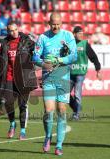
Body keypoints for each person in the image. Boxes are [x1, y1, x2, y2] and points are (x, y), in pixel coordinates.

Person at [32, 13, 77, 155]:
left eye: (58, 24)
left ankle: (58, 146)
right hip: (48, 78)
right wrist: (44, 63)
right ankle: (47, 137)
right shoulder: (43, 38)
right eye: (53, 24)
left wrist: (59, 60)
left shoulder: (68, 36)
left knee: (62, 110)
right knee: (48, 110)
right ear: (48, 23)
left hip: (63, 77)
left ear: (61, 23)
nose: (55, 26)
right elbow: (35, 57)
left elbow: (74, 56)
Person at [0, 21, 37, 140]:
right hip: (9, 77)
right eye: (11, 30)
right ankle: (12, 123)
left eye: (15, 29)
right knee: (8, 102)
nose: (14, 32)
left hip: (23, 78)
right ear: (8, 31)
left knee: (22, 105)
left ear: (18, 29)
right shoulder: (4, 43)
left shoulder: (27, 41)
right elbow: (2, 62)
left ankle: (22, 130)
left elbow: (37, 51)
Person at [70, 26, 102, 120]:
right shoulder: (69, 44)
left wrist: (98, 70)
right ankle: (76, 108)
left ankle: (76, 114)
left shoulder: (85, 44)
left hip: (80, 73)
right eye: (79, 33)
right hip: (70, 73)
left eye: (82, 33)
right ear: (74, 34)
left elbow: (94, 57)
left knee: (77, 93)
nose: (81, 35)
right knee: (64, 94)